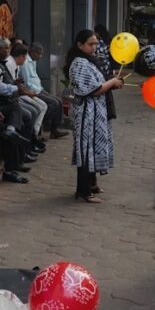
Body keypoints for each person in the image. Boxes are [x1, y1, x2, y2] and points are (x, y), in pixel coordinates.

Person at [66, 29, 124, 204]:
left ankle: (92, 184)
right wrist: (111, 83)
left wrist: (112, 83)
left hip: (96, 113)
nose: (94, 47)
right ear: (80, 45)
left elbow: (99, 84)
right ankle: (83, 191)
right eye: (90, 44)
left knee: (94, 147)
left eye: (95, 43)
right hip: (86, 113)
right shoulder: (79, 63)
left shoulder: (89, 61)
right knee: (85, 150)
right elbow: (94, 89)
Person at [23, 42, 68, 138]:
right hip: (32, 92)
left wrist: (41, 89)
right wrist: (37, 92)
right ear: (32, 52)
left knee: (59, 101)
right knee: (53, 104)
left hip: (38, 89)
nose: (40, 56)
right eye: (38, 53)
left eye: (41, 54)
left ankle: (54, 130)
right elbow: (28, 82)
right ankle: (39, 125)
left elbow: (35, 78)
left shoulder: (33, 62)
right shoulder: (25, 63)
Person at [11, 43, 48, 141]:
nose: (26, 59)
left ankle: (34, 135)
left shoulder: (18, 65)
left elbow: (21, 84)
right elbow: (21, 85)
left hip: (24, 93)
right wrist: (29, 93)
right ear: (21, 56)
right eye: (25, 57)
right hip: (16, 97)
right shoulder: (14, 65)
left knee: (43, 106)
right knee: (33, 111)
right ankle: (31, 138)